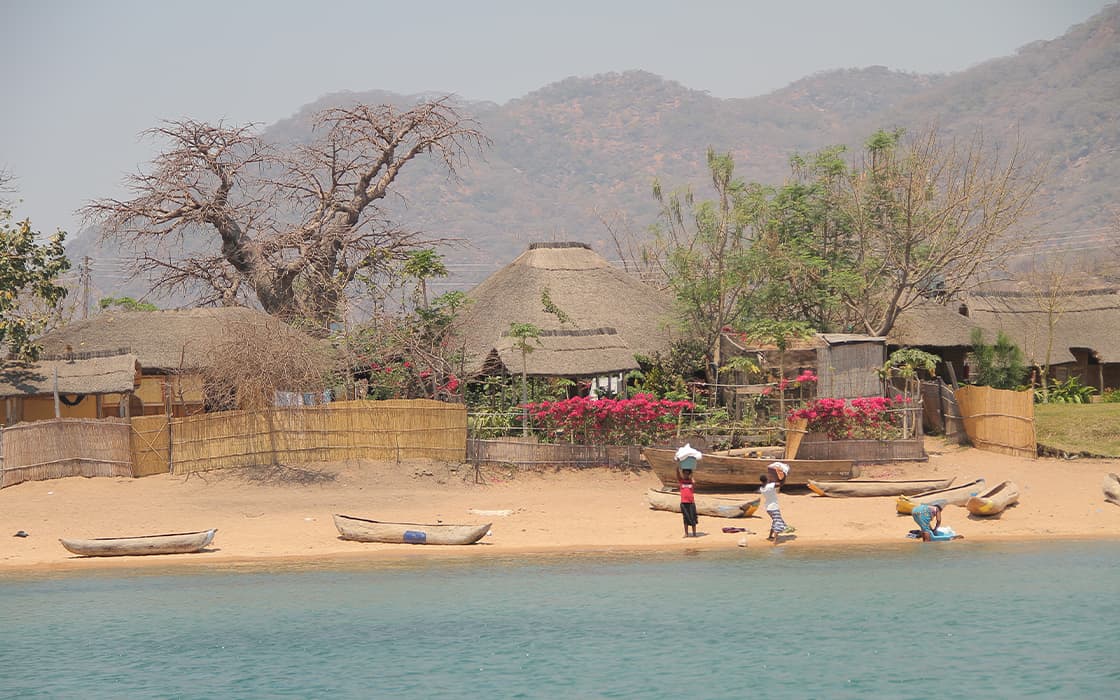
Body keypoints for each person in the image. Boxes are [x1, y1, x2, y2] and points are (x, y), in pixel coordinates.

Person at [759, 474, 795, 541]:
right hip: (774, 507)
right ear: (766, 479)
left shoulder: (762, 488)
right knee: (778, 522)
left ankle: (770, 536)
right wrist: (784, 477)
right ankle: (775, 540)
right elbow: (780, 484)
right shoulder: (770, 486)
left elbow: (775, 484)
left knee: (775, 521)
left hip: (768, 508)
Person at [677, 463, 698, 537]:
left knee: (693, 518)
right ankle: (686, 533)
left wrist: (691, 469)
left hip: (691, 502)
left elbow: (694, 480)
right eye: (684, 473)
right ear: (683, 474)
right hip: (683, 502)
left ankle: (694, 533)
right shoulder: (681, 481)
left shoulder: (691, 481)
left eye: (687, 474)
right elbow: (677, 474)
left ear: (689, 474)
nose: (685, 475)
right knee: (685, 518)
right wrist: (677, 466)